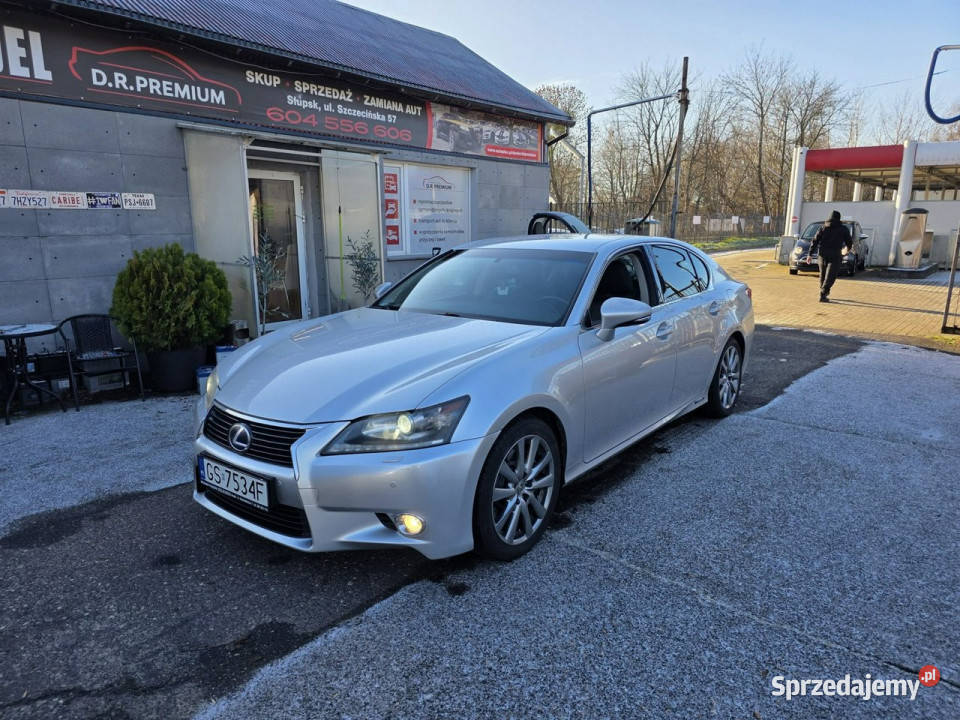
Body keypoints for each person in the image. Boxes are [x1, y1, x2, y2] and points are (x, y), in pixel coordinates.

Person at [810, 210, 851, 303]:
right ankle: (823, 294)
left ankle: (824, 292)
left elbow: (815, 240)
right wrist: (846, 250)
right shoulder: (843, 229)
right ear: (839, 218)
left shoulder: (823, 227)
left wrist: (810, 254)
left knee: (823, 275)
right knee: (830, 276)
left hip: (822, 254)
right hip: (835, 254)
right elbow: (849, 242)